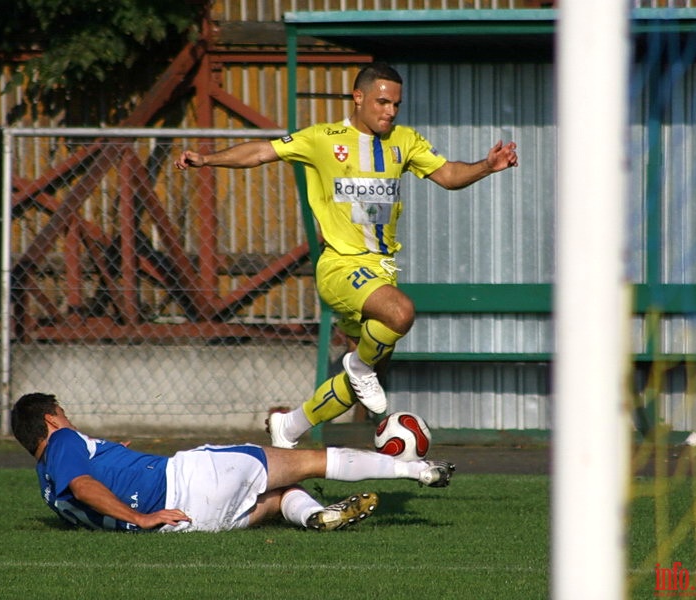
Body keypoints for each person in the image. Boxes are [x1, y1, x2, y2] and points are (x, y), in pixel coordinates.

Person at [174, 62, 518, 448]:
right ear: (358, 97)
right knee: (399, 314)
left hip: (381, 271)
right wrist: (207, 160)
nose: (390, 112)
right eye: (383, 102)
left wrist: (488, 166)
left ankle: (290, 426)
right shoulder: (324, 138)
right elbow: (259, 153)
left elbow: (449, 175)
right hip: (340, 265)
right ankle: (357, 364)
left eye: (396, 105)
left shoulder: (404, 141)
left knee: (365, 378)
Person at [10, 392, 455, 533]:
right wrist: (138, 516)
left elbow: (87, 486)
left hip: (188, 524)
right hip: (186, 482)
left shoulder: (45, 485)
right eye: (63, 413)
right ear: (51, 420)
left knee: (280, 498)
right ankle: (419, 470)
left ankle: (316, 516)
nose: (69, 420)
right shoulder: (64, 441)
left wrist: (119, 460)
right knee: (310, 461)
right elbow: (86, 485)